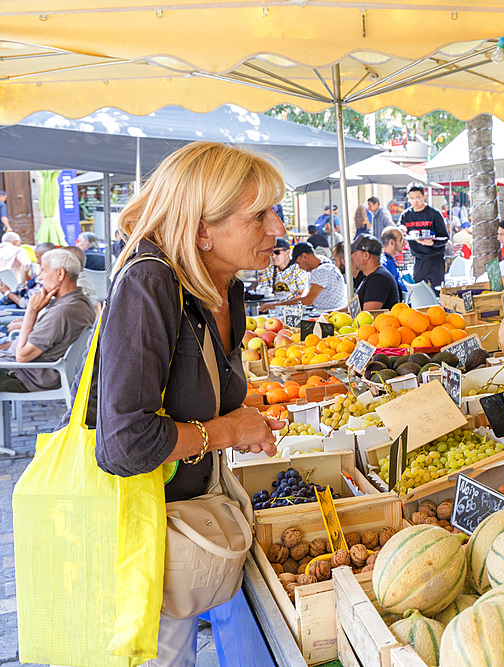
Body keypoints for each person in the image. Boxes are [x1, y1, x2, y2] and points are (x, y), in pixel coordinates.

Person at [79, 142, 283, 663]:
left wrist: (245, 417)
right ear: (199, 229)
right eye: (259, 216)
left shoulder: (224, 285)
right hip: (140, 539)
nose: (277, 229)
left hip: (184, 530)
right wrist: (231, 431)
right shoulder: (150, 282)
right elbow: (124, 443)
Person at [0, 249, 95, 392]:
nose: (40, 277)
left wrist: (32, 311)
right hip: (30, 370)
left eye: (44, 271)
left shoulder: (62, 311)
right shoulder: (80, 301)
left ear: (60, 273)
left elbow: (22, 356)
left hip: (25, 375)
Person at [263, 242, 347, 311]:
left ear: (305, 256)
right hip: (334, 310)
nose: (299, 267)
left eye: (298, 263)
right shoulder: (324, 262)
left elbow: (308, 300)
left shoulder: (320, 272)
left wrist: (276, 305)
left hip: (330, 313)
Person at [399, 182, 448, 289]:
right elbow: (399, 230)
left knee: (437, 292)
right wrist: (401, 229)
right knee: (419, 291)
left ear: (423, 196)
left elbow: (445, 238)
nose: (415, 201)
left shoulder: (434, 214)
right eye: (411, 198)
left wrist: (432, 243)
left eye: (418, 198)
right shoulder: (406, 215)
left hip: (436, 260)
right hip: (419, 259)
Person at [351, 235, 400, 311]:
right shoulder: (371, 276)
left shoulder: (378, 279)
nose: (352, 257)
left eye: (354, 253)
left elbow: (368, 315)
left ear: (366, 255)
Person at [380, 227, 407, 297]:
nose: (404, 243)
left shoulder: (388, 261)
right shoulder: (386, 264)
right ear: (392, 242)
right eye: (401, 240)